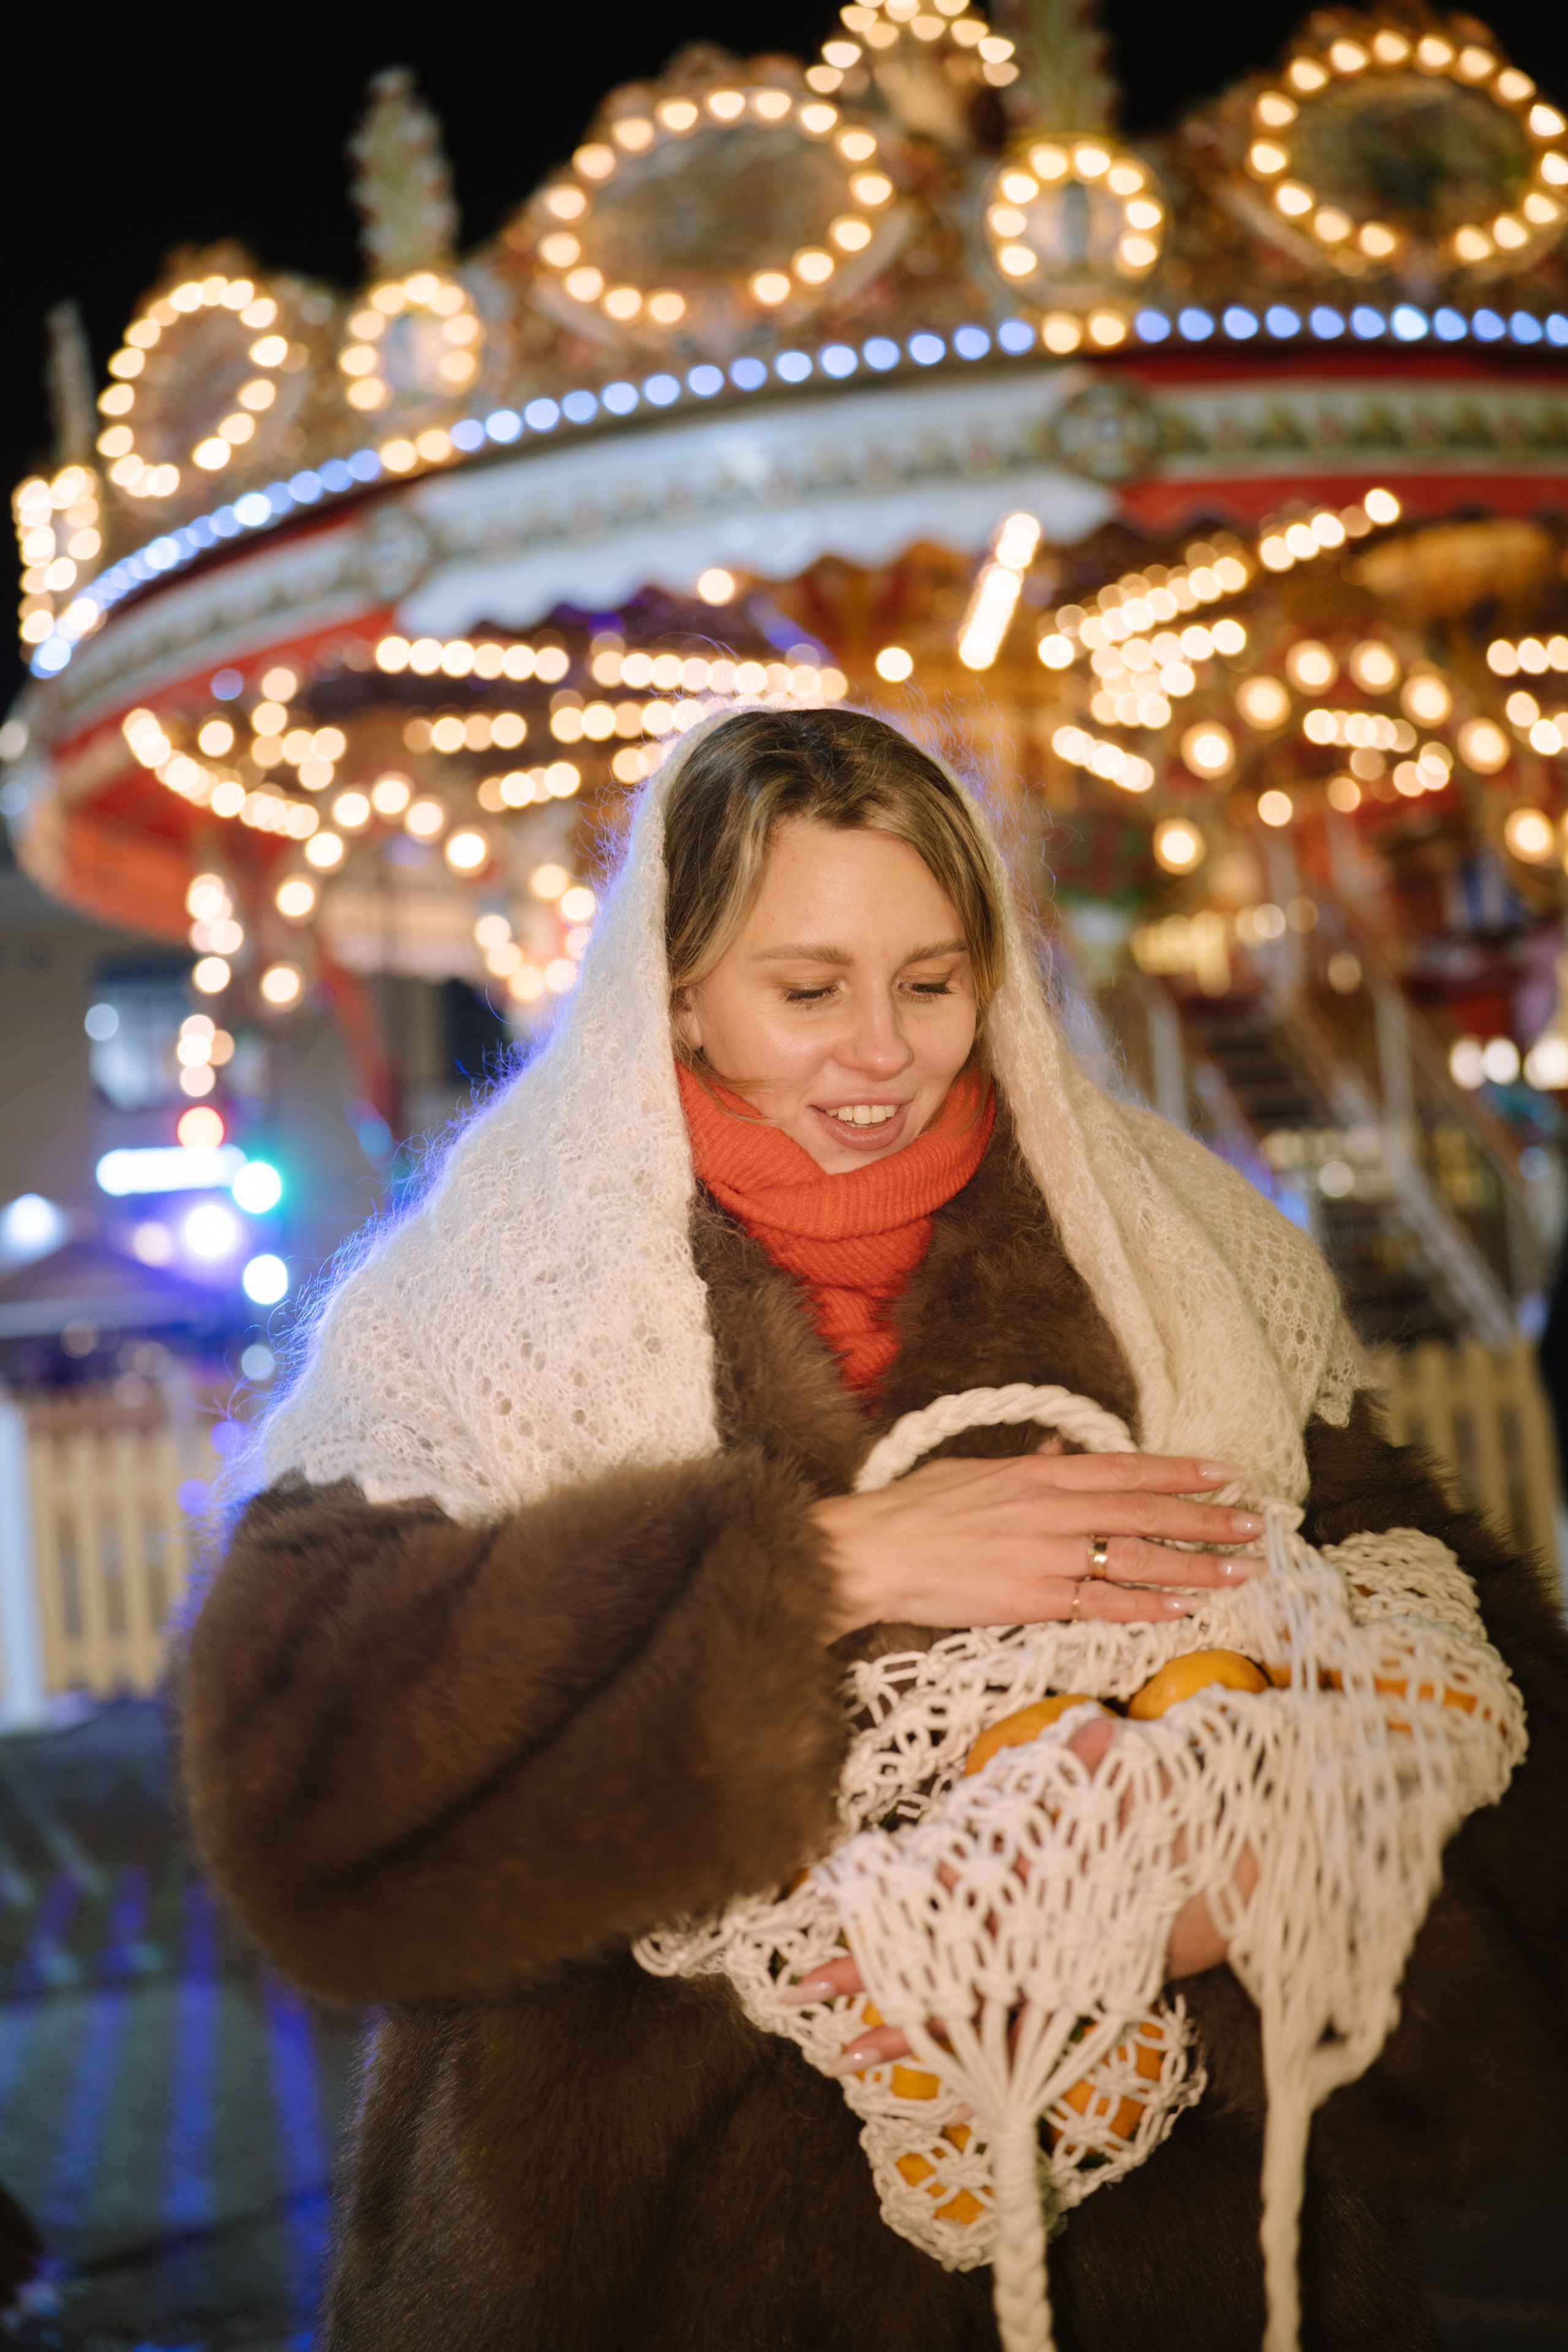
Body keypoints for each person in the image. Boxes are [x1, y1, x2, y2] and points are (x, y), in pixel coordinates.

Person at [182, 708, 1568, 2352]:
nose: (883, 1053)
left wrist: (1213, 1895)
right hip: (639, 2254)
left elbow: (1467, 1688)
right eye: (808, 989)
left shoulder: (1186, 1245)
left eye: (932, 980)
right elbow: (307, 1773)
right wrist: (818, 1570)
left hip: (1169, 2252)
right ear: (679, 987)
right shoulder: (479, 1293)